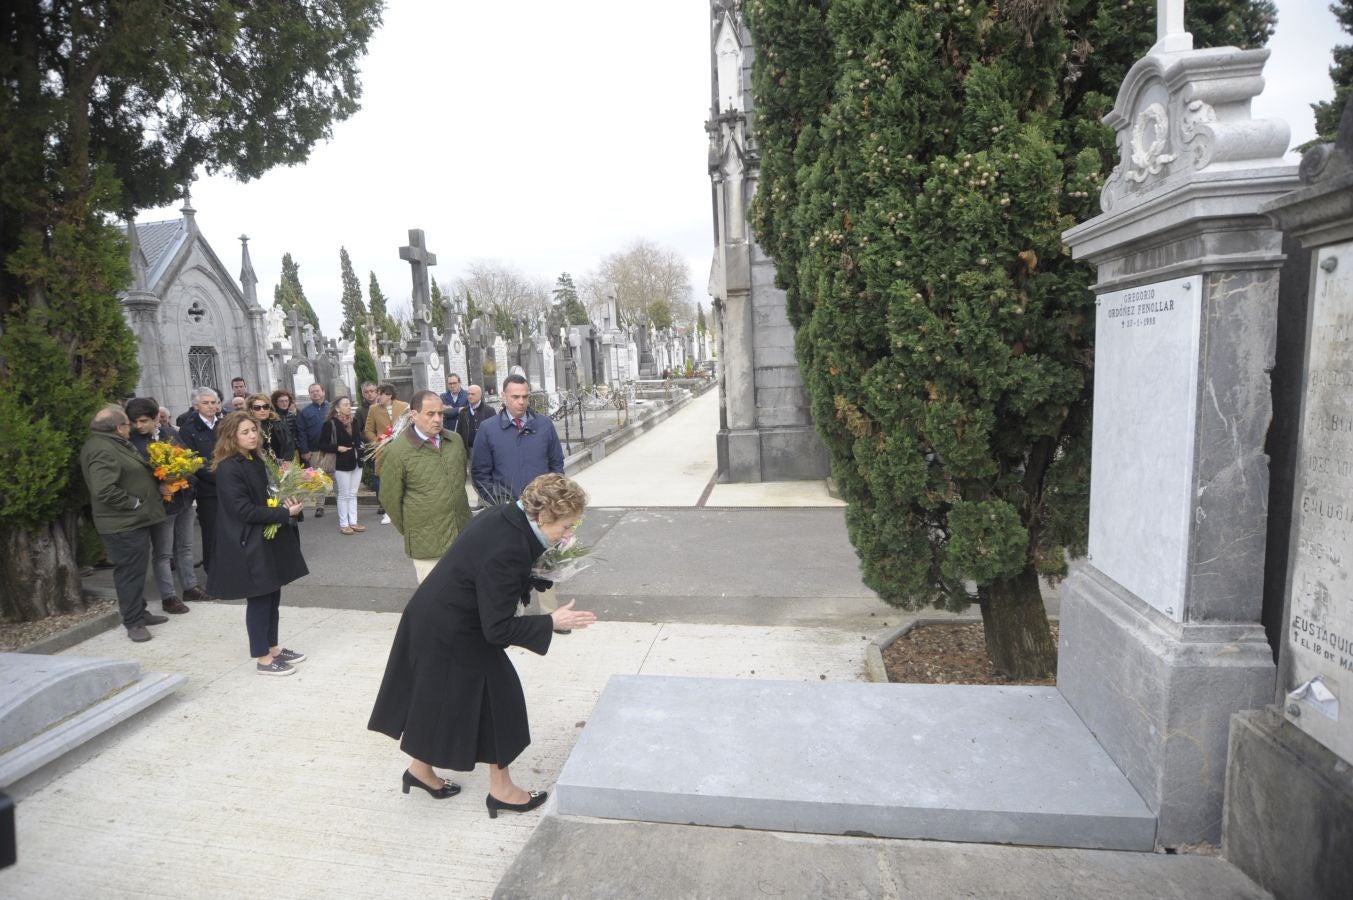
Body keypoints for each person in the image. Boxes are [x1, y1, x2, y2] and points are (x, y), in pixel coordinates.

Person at [368, 473, 596, 813]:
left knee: (438, 697)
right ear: (543, 516)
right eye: (565, 527)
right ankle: (501, 789)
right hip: (452, 627)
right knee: (500, 702)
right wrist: (551, 621)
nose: (568, 534)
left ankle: (419, 770)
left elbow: (488, 573)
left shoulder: (506, 514)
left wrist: (536, 575)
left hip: (435, 614)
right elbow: (498, 629)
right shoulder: (510, 549)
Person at [206, 412, 310, 676]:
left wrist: (287, 498)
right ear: (231, 437)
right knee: (260, 599)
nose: (252, 435)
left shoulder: (255, 458)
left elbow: (267, 495)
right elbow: (243, 511)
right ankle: (263, 658)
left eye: (254, 430)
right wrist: (284, 514)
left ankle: (273, 647)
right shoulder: (229, 467)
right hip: (247, 542)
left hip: (264, 538)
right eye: (245, 432)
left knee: (272, 594)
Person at [79, 404, 170, 642]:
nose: (132, 428)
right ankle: (133, 622)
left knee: (136, 571)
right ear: (119, 427)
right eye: (128, 424)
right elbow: (103, 489)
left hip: (132, 522)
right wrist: (135, 503)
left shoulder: (112, 443)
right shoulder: (102, 448)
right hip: (123, 524)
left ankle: (139, 611)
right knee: (129, 573)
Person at [125, 397, 210, 612]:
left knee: (185, 547)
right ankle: (168, 596)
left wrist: (186, 481)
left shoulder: (170, 433)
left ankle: (190, 587)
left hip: (183, 499)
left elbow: (189, 461)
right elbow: (135, 477)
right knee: (163, 553)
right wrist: (159, 486)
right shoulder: (133, 442)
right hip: (161, 505)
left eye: (143, 421)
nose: (138, 426)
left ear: (156, 418)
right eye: (134, 422)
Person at [377, 391, 471, 582]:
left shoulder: (455, 441)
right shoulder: (397, 451)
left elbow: (459, 481)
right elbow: (389, 498)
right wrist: (414, 528)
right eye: (430, 414)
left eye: (441, 413)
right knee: (435, 604)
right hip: (427, 545)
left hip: (462, 537)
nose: (437, 419)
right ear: (414, 415)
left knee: (465, 600)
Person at [471, 374, 564, 502]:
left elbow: (557, 465)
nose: (521, 402)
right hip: (505, 509)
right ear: (503, 396)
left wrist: (550, 496)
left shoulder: (545, 425)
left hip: (541, 506)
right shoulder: (488, 429)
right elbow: (480, 474)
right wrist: (497, 502)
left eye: (525, 397)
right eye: (515, 397)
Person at [178, 387, 221, 575]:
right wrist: (220, 477)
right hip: (207, 491)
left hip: (230, 487)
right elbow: (193, 462)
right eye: (206, 403)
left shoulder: (225, 424)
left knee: (232, 530)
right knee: (211, 533)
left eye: (214, 402)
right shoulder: (188, 429)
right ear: (196, 406)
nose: (211, 406)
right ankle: (213, 573)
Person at [364, 383, 409, 525]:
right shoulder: (373, 409)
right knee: (385, 480)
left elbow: (410, 425)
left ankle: (403, 509)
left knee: (403, 477)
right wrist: (377, 442)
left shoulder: (404, 406)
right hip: (383, 449)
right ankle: (388, 511)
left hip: (402, 448)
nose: (377, 396)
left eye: (380, 394)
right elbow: (368, 430)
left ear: (388, 395)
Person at [320, 396, 363, 535]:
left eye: (349, 404)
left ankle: (354, 522)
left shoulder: (354, 421)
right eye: (345, 404)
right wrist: (337, 448)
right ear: (337, 408)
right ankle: (344, 524)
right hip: (341, 463)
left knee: (353, 493)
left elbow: (357, 440)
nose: (348, 406)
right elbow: (322, 445)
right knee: (344, 494)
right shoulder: (330, 424)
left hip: (357, 460)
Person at [296, 383, 330, 516]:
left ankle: (342, 502)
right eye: (312, 392)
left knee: (337, 478)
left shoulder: (333, 408)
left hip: (333, 450)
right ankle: (320, 506)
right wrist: (304, 450)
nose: (315, 394)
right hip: (314, 451)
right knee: (318, 479)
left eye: (317, 391)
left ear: (323, 392)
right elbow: (301, 432)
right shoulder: (305, 412)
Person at [246, 392, 295, 463]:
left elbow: (289, 443)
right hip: (260, 465)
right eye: (257, 408)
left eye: (265, 406)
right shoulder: (248, 427)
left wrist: (287, 460)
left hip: (282, 464)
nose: (262, 410)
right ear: (251, 410)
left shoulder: (278, 422)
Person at [454, 383, 496, 455]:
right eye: (468, 394)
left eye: (473, 394)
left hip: (485, 450)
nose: (470, 396)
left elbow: (495, 431)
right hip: (468, 450)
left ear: (480, 395)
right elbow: (459, 432)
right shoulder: (463, 412)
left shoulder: (489, 411)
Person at [270, 389, 301, 458]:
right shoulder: (272, 417)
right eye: (281, 401)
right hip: (279, 453)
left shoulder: (292, 416)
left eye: (286, 401)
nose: (284, 403)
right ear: (275, 402)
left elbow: (296, 434)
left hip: (294, 450)